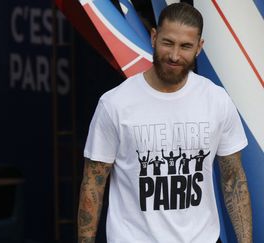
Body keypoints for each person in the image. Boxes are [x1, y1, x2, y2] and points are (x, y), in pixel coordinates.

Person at [78, 3, 252, 243]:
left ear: (199, 48)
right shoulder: (114, 104)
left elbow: (233, 179)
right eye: (168, 43)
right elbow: (93, 184)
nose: (174, 55)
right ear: (153, 37)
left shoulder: (217, 101)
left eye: (186, 46)